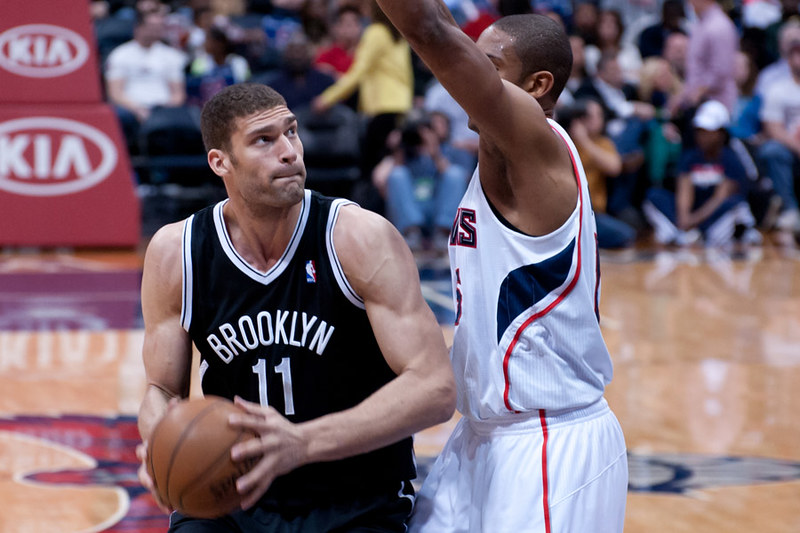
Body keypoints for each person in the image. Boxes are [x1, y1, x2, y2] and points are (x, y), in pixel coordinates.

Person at [135, 82, 456, 531]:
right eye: (264, 140)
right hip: (234, 495)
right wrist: (158, 437)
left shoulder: (358, 237)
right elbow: (162, 390)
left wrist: (302, 442)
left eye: (291, 132)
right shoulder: (177, 251)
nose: (289, 151)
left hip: (356, 497)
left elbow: (435, 388)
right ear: (219, 161)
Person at [372, 5, 628, 532]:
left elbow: (428, 29)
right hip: (479, 437)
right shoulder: (500, 154)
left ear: (536, 85)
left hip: (549, 445)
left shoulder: (538, 148)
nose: (466, 74)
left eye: (487, 64)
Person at [643, 99, 760, 247]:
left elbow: (720, 197)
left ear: (721, 133)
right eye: (699, 131)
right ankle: (683, 233)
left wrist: (692, 220)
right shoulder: (690, 157)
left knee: (737, 206)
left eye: (707, 131)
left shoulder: (731, 159)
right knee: (654, 196)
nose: (702, 136)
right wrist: (684, 217)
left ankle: (697, 235)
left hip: (713, 214)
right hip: (692, 211)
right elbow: (684, 189)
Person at [104, 9, 188, 151]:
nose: (157, 31)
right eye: (153, 27)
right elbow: (115, 93)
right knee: (121, 117)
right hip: (131, 109)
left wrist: (163, 111)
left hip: (163, 108)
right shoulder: (120, 55)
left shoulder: (171, 55)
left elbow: (178, 94)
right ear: (139, 27)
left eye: (160, 27)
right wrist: (138, 109)